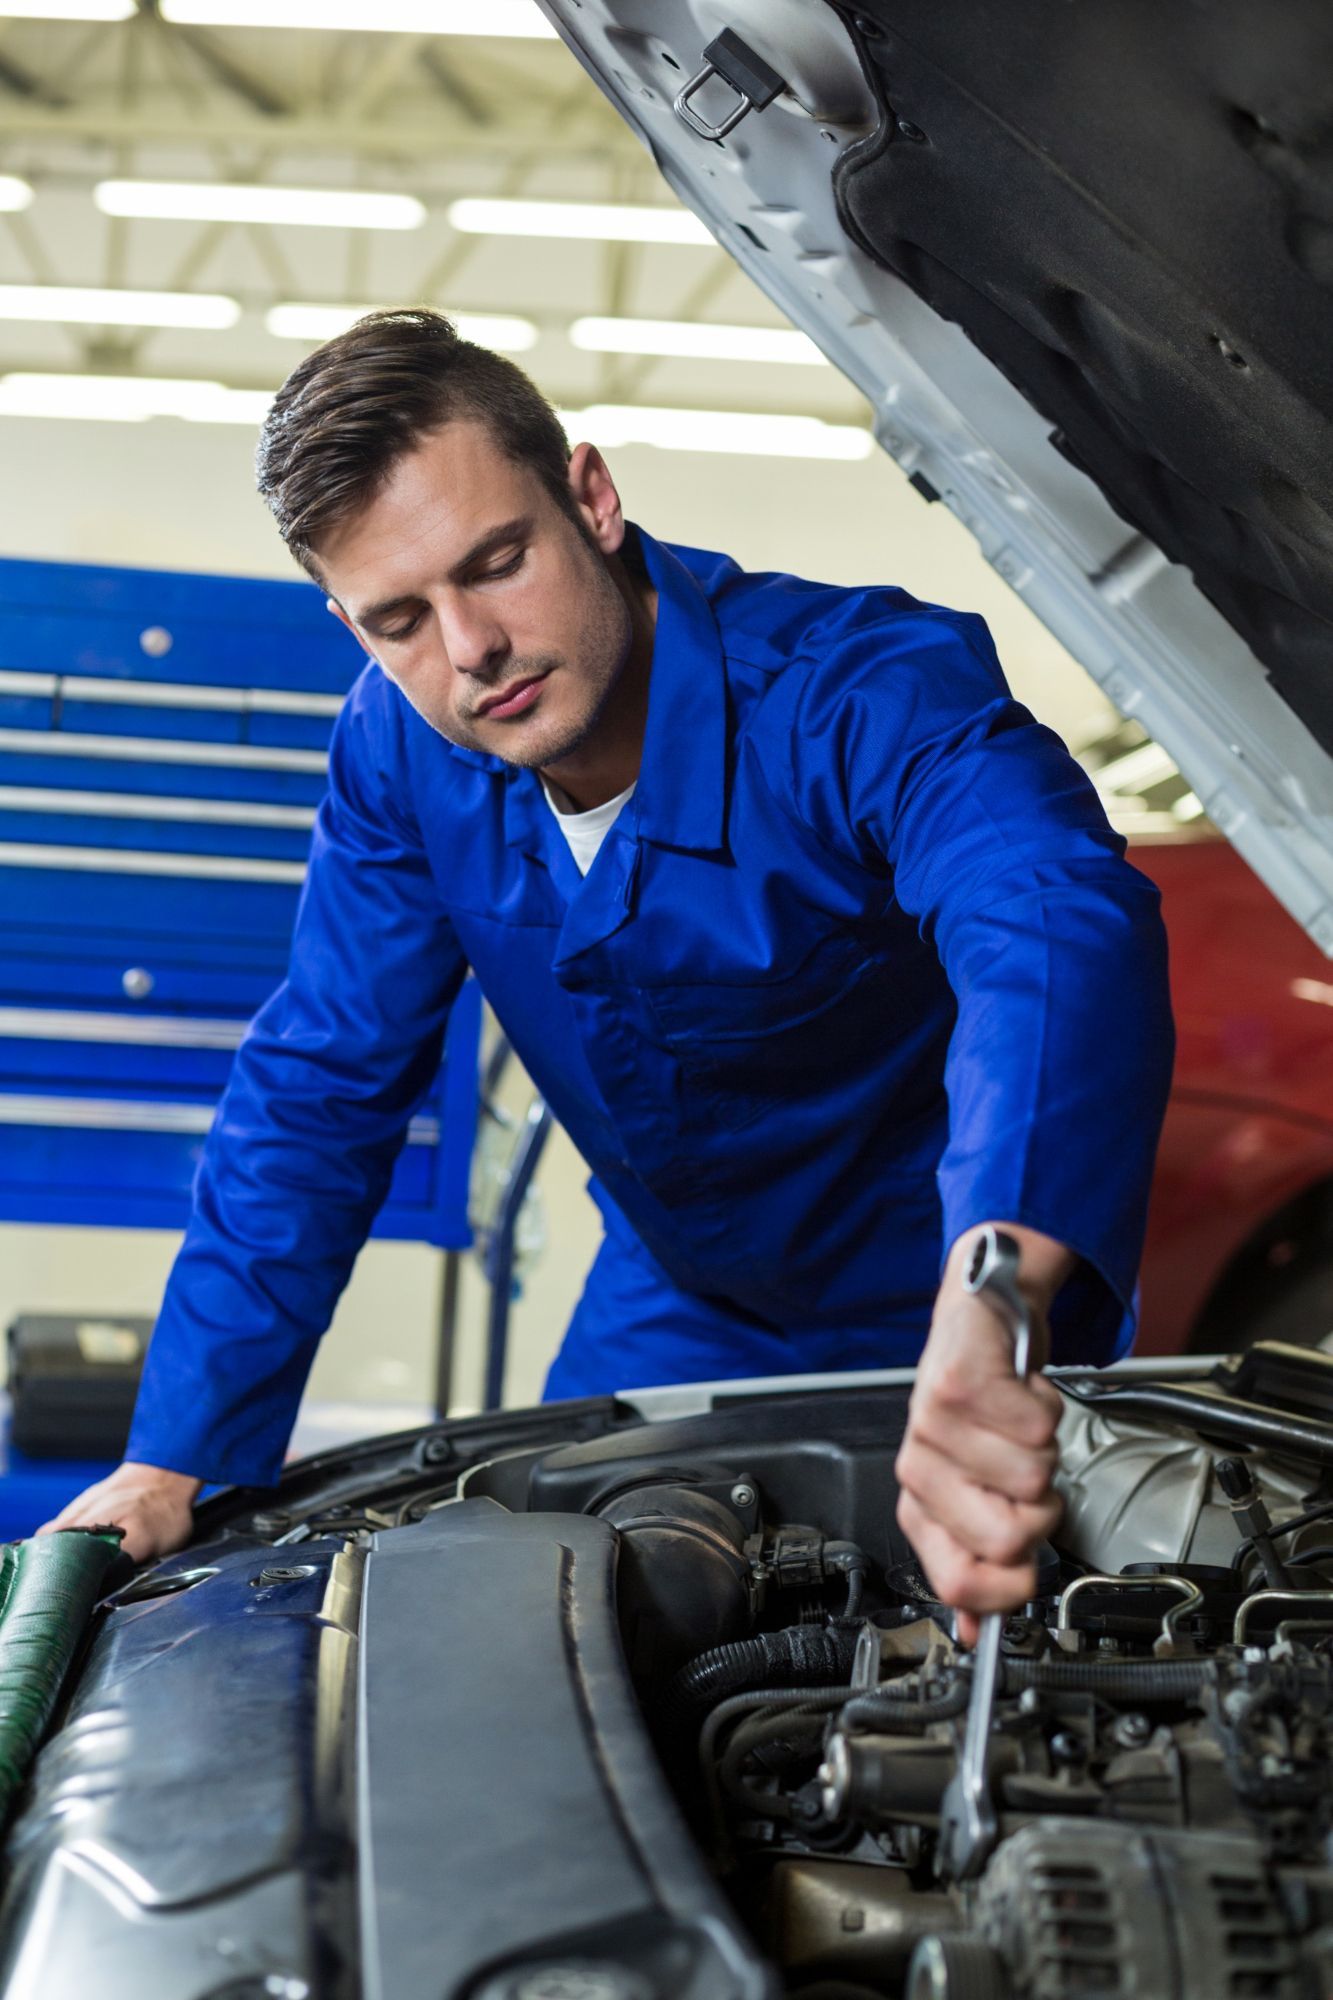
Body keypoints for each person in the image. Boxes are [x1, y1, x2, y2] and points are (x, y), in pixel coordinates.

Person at [45, 310, 1174, 1636]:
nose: (468, 649)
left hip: (953, 1300)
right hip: (674, 1311)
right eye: (399, 620)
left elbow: (1046, 922)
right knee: (558, 1634)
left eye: (496, 563)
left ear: (589, 495)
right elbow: (320, 1088)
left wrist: (993, 1303)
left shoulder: (860, 694)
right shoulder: (403, 757)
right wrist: (180, 1453)